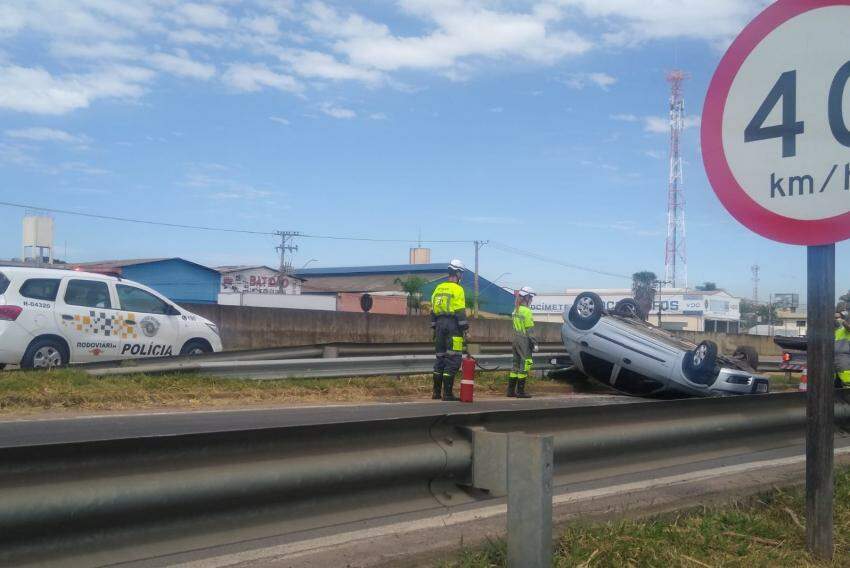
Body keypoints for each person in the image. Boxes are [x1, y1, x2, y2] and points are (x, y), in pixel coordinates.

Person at [430, 259, 468, 401]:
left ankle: (436, 393)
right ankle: (447, 394)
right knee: (453, 358)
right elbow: (459, 311)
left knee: (440, 358)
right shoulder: (458, 289)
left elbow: (432, 309)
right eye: (461, 274)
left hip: (439, 325)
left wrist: (434, 326)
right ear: (458, 273)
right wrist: (465, 328)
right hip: (453, 326)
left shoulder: (438, 288)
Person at [508, 286, 538, 398]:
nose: (531, 300)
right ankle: (520, 392)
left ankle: (510, 391)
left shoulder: (515, 309)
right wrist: (535, 343)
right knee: (526, 363)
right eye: (531, 298)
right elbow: (530, 330)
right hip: (524, 340)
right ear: (527, 297)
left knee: (515, 364)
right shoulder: (527, 311)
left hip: (515, 338)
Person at [835, 311, 850, 388]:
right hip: (830, 356)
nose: (837, 319)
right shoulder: (833, 329)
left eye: (838, 318)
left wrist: (843, 321)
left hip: (843, 357)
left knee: (847, 381)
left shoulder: (845, 328)